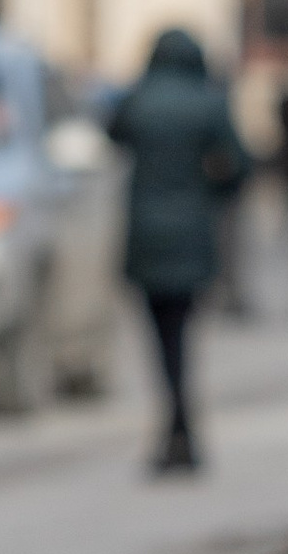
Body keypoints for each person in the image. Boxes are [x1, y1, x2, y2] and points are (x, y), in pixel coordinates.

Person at [104, 28, 253, 473]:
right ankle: (181, 428)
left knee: (160, 337)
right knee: (182, 335)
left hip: (147, 235)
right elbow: (240, 164)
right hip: (192, 232)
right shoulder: (207, 102)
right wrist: (212, 193)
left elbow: (111, 134)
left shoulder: (138, 99)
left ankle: (176, 428)